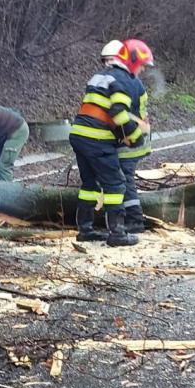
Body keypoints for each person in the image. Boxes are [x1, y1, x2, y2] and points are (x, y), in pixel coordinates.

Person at [69, 39, 154, 246]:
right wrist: (135, 137)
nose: (142, 70)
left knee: (90, 185)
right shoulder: (124, 81)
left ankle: (85, 230)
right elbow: (118, 111)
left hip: (80, 134)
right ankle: (117, 233)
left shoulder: (101, 76)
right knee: (116, 184)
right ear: (133, 61)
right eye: (142, 65)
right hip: (98, 138)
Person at [101, 38, 152, 233]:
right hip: (131, 134)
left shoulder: (125, 81)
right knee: (123, 177)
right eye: (104, 61)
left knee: (125, 179)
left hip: (131, 137)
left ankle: (135, 220)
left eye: (110, 61)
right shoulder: (127, 79)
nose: (107, 66)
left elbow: (119, 113)